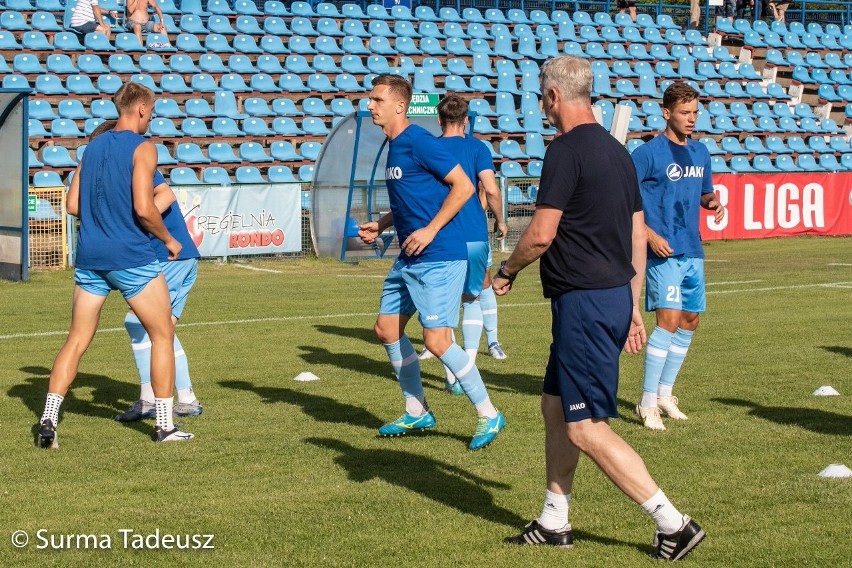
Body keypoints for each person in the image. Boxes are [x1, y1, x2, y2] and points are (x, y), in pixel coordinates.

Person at [494, 56, 704, 561]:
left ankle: (672, 523)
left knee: (585, 425)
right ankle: (554, 518)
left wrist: (507, 270)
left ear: (553, 97)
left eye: (543, 98)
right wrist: (632, 304)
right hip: (608, 297)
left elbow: (541, 234)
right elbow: (636, 233)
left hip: (586, 303)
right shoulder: (618, 151)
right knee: (553, 404)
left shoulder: (564, 151)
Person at [37, 82, 193, 448]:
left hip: (91, 258)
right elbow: (144, 206)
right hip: (130, 257)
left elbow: (72, 206)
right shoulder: (144, 148)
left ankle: (48, 420)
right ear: (140, 108)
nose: (150, 117)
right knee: (162, 335)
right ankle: (165, 426)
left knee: (76, 340)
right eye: (151, 111)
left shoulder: (91, 149)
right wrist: (170, 239)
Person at [357, 75, 506, 451]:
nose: (370, 105)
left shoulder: (420, 141)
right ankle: (416, 408)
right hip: (410, 255)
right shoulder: (396, 145)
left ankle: (489, 412)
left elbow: (464, 187)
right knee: (387, 329)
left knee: (436, 340)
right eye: (370, 99)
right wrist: (384, 223)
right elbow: (415, 197)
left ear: (399, 106)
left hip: (439, 254)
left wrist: (430, 230)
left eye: (377, 99)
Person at [71, 121, 205, 423]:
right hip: (158, 256)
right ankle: (183, 398)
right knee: (157, 327)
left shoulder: (132, 161)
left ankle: (157, 400)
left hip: (169, 254)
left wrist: (130, 219)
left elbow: (166, 196)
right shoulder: (113, 167)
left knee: (142, 324)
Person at [630, 83, 726, 431]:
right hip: (663, 250)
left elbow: (704, 192)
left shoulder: (700, 152)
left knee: (690, 321)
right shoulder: (647, 154)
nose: (692, 119)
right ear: (667, 113)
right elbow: (626, 198)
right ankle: (645, 401)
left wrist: (713, 202)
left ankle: (664, 395)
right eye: (685, 113)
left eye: (695, 113)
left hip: (693, 248)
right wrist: (649, 235)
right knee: (667, 321)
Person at [420, 94, 509, 371]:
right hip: (473, 232)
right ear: (466, 120)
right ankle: (468, 365)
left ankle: (449, 369)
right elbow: (491, 189)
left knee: (443, 299)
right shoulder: (477, 148)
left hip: (440, 233)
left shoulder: (428, 148)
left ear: (439, 120)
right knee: (474, 295)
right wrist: (501, 220)